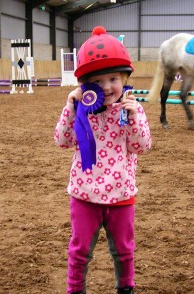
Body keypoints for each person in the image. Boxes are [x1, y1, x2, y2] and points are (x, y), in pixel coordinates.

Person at [54, 26, 152, 294]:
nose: (106, 87)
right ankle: (75, 289)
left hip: (122, 196)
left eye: (113, 79)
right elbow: (62, 141)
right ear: (85, 85)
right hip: (85, 195)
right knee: (80, 249)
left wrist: (133, 119)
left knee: (123, 250)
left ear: (124, 79)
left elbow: (142, 147)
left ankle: (125, 288)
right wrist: (70, 108)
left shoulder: (132, 109)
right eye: (97, 81)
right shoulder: (82, 109)